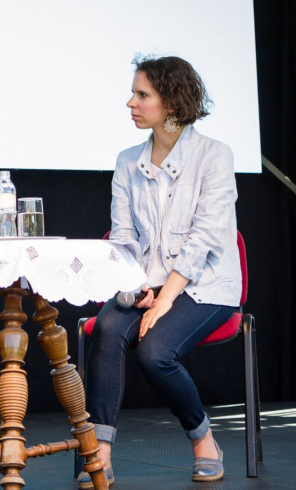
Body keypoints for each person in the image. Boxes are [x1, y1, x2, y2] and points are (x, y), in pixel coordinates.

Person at [79, 56, 241, 488]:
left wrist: (165, 297)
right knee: (106, 330)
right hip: (145, 282)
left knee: (155, 353)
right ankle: (99, 454)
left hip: (206, 285)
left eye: (142, 94)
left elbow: (204, 238)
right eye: (133, 93)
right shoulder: (127, 161)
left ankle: (204, 439)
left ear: (171, 102)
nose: (130, 102)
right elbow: (123, 236)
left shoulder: (214, 156)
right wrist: (136, 287)